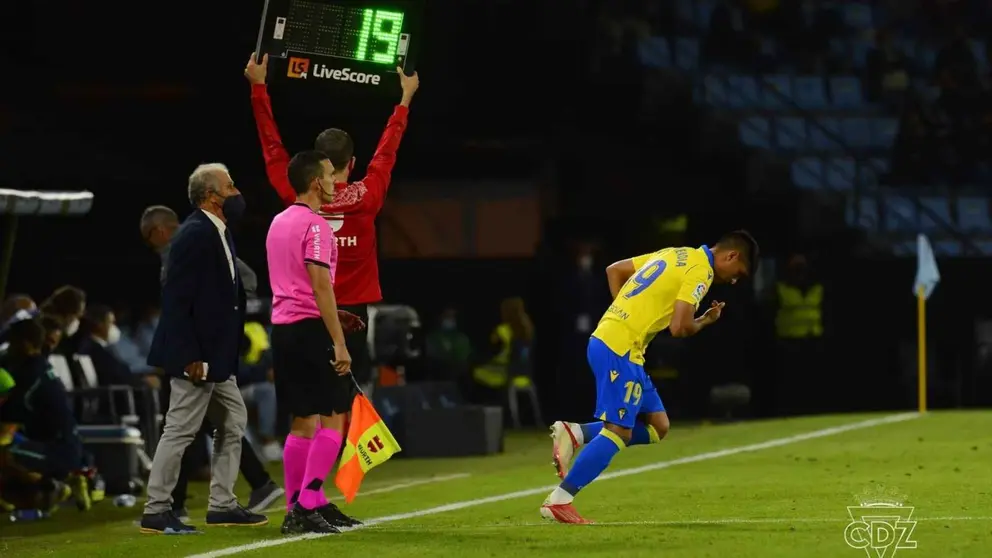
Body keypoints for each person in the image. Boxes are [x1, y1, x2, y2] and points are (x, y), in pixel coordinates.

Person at [541, 231, 759, 524]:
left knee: (658, 426)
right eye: (738, 273)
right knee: (619, 431)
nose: (733, 280)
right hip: (619, 348)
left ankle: (576, 433)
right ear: (731, 256)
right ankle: (560, 500)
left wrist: (628, 313)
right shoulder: (701, 272)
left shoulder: (676, 253)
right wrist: (705, 321)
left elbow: (615, 270)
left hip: (617, 343)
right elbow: (679, 328)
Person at [246, 52, 419, 390]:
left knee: (310, 401)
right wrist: (405, 98)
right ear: (351, 163)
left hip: (308, 313)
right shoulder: (368, 196)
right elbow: (386, 152)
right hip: (353, 315)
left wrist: (258, 88)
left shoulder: (296, 193)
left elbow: (272, 149)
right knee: (347, 399)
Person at [139, 163, 267, 534]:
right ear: (211, 196)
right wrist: (191, 355)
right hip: (197, 357)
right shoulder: (195, 234)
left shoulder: (216, 230)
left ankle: (222, 504)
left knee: (233, 421)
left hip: (216, 356)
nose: (236, 192)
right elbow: (177, 300)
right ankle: (156, 510)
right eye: (230, 186)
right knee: (180, 429)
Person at [266, 151, 365, 535]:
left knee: (303, 419)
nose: (334, 181)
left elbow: (295, 284)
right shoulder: (317, 225)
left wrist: (334, 314)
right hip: (311, 331)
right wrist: (339, 341)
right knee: (334, 415)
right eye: (328, 175)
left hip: (284, 329)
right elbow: (319, 284)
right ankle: (308, 502)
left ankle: (302, 506)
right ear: (314, 182)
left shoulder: (277, 222)